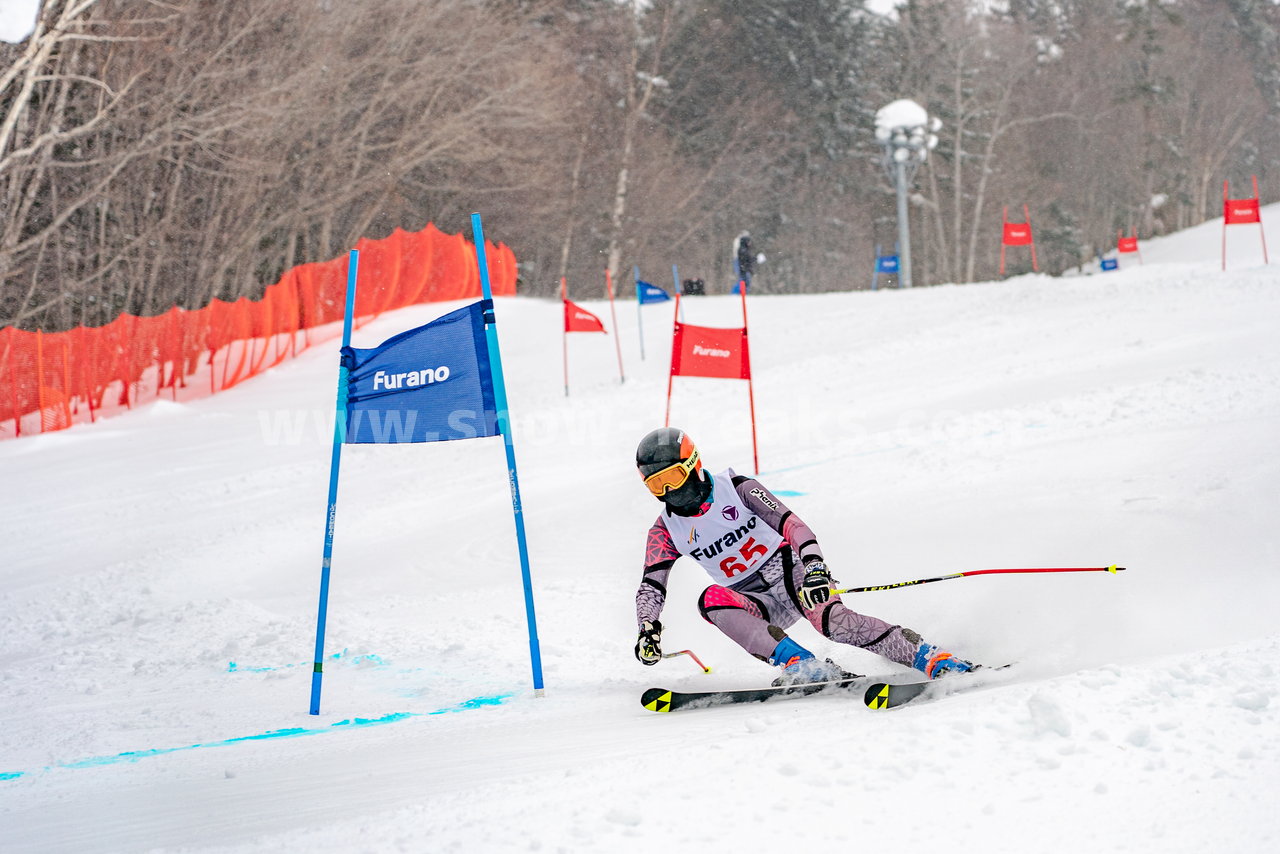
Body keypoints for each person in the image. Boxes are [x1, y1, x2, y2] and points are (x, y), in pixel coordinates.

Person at [632, 427, 979, 685]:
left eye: (673, 477)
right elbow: (651, 585)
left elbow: (794, 526)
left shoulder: (736, 488)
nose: (669, 492)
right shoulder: (664, 531)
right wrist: (647, 627)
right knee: (710, 600)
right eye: (656, 486)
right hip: (755, 601)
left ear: (693, 465)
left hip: (792, 573)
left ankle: (933, 659)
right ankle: (802, 664)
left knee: (834, 624)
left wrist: (813, 567)